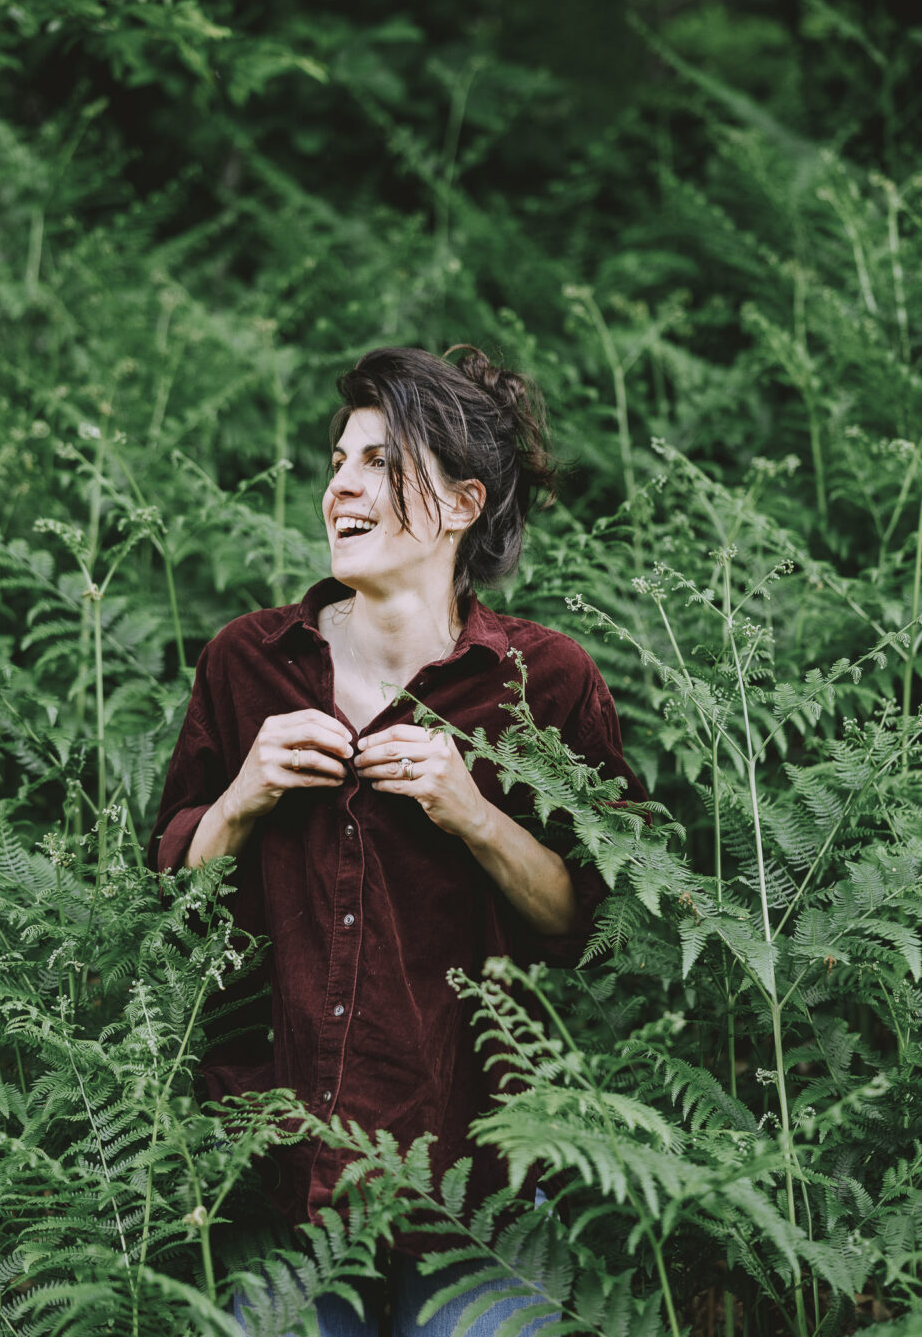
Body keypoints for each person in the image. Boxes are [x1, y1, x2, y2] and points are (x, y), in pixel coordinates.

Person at [147, 345, 646, 1336]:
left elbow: (589, 923)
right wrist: (240, 800)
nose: (340, 484)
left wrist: (472, 812)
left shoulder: (543, 682)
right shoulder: (248, 662)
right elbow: (166, 902)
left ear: (461, 504)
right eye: (338, 460)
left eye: (379, 462)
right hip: (279, 1180)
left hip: (478, 1184)